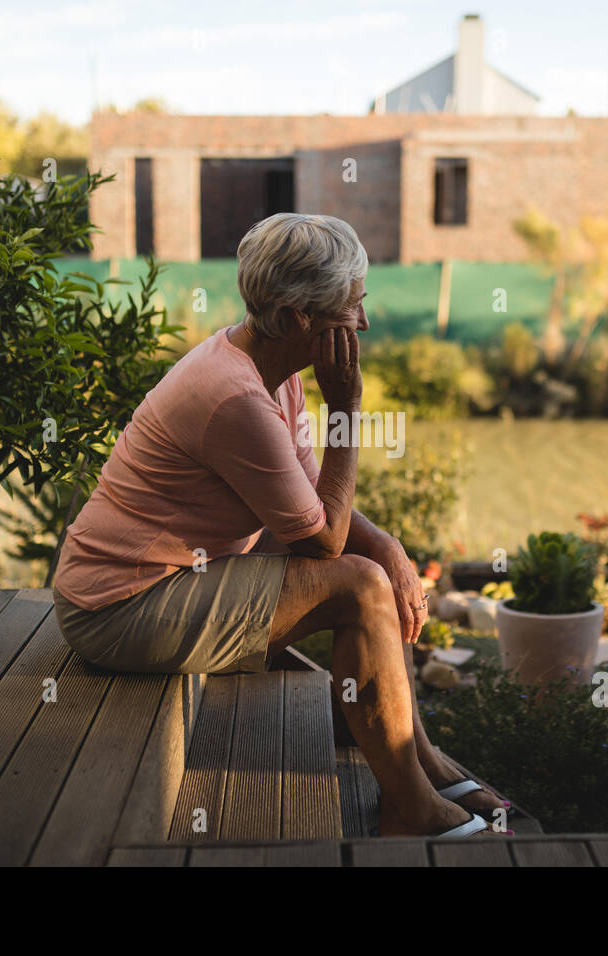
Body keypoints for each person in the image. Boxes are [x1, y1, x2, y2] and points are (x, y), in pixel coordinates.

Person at [53, 212, 503, 837]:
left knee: (375, 576)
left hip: (158, 585)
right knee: (358, 587)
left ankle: (420, 766)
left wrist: (394, 552)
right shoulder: (237, 397)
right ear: (298, 319)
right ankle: (413, 806)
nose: (364, 323)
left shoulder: (269, 374)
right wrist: (346, 408)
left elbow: (317, 503)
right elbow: (323, 541)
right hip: (118, 609)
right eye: (352, 307)